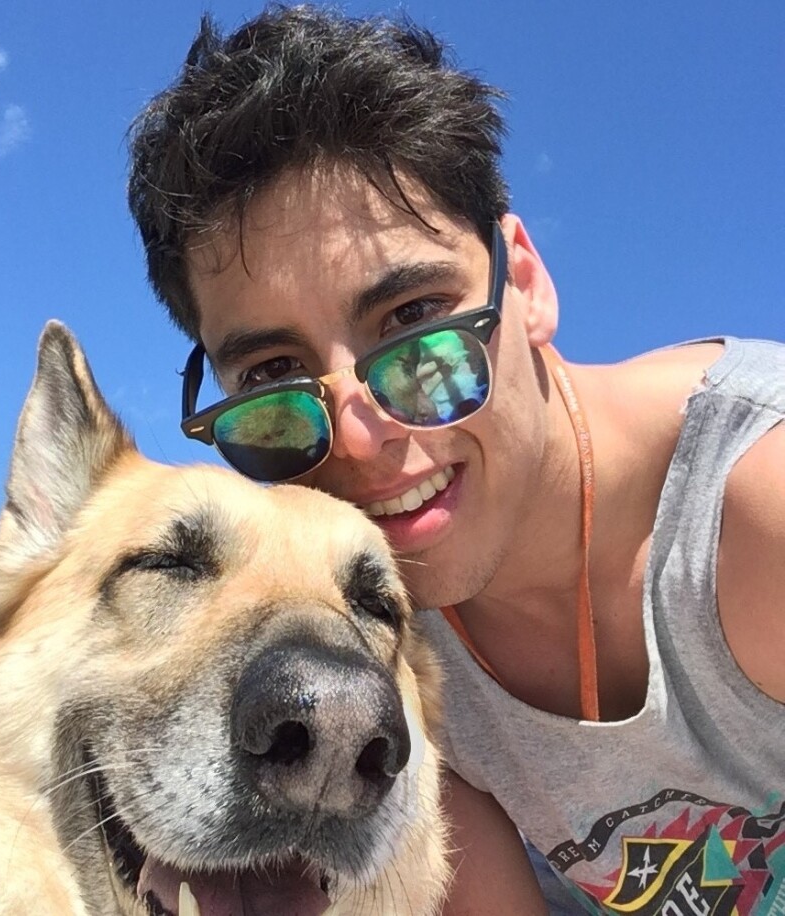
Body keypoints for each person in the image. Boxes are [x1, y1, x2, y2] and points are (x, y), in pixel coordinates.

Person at [127, 5, 785, 913]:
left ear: (524, 282)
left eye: (414, 323)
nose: (360, 440)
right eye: (275, 372)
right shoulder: (384, 628)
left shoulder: (758, 508)